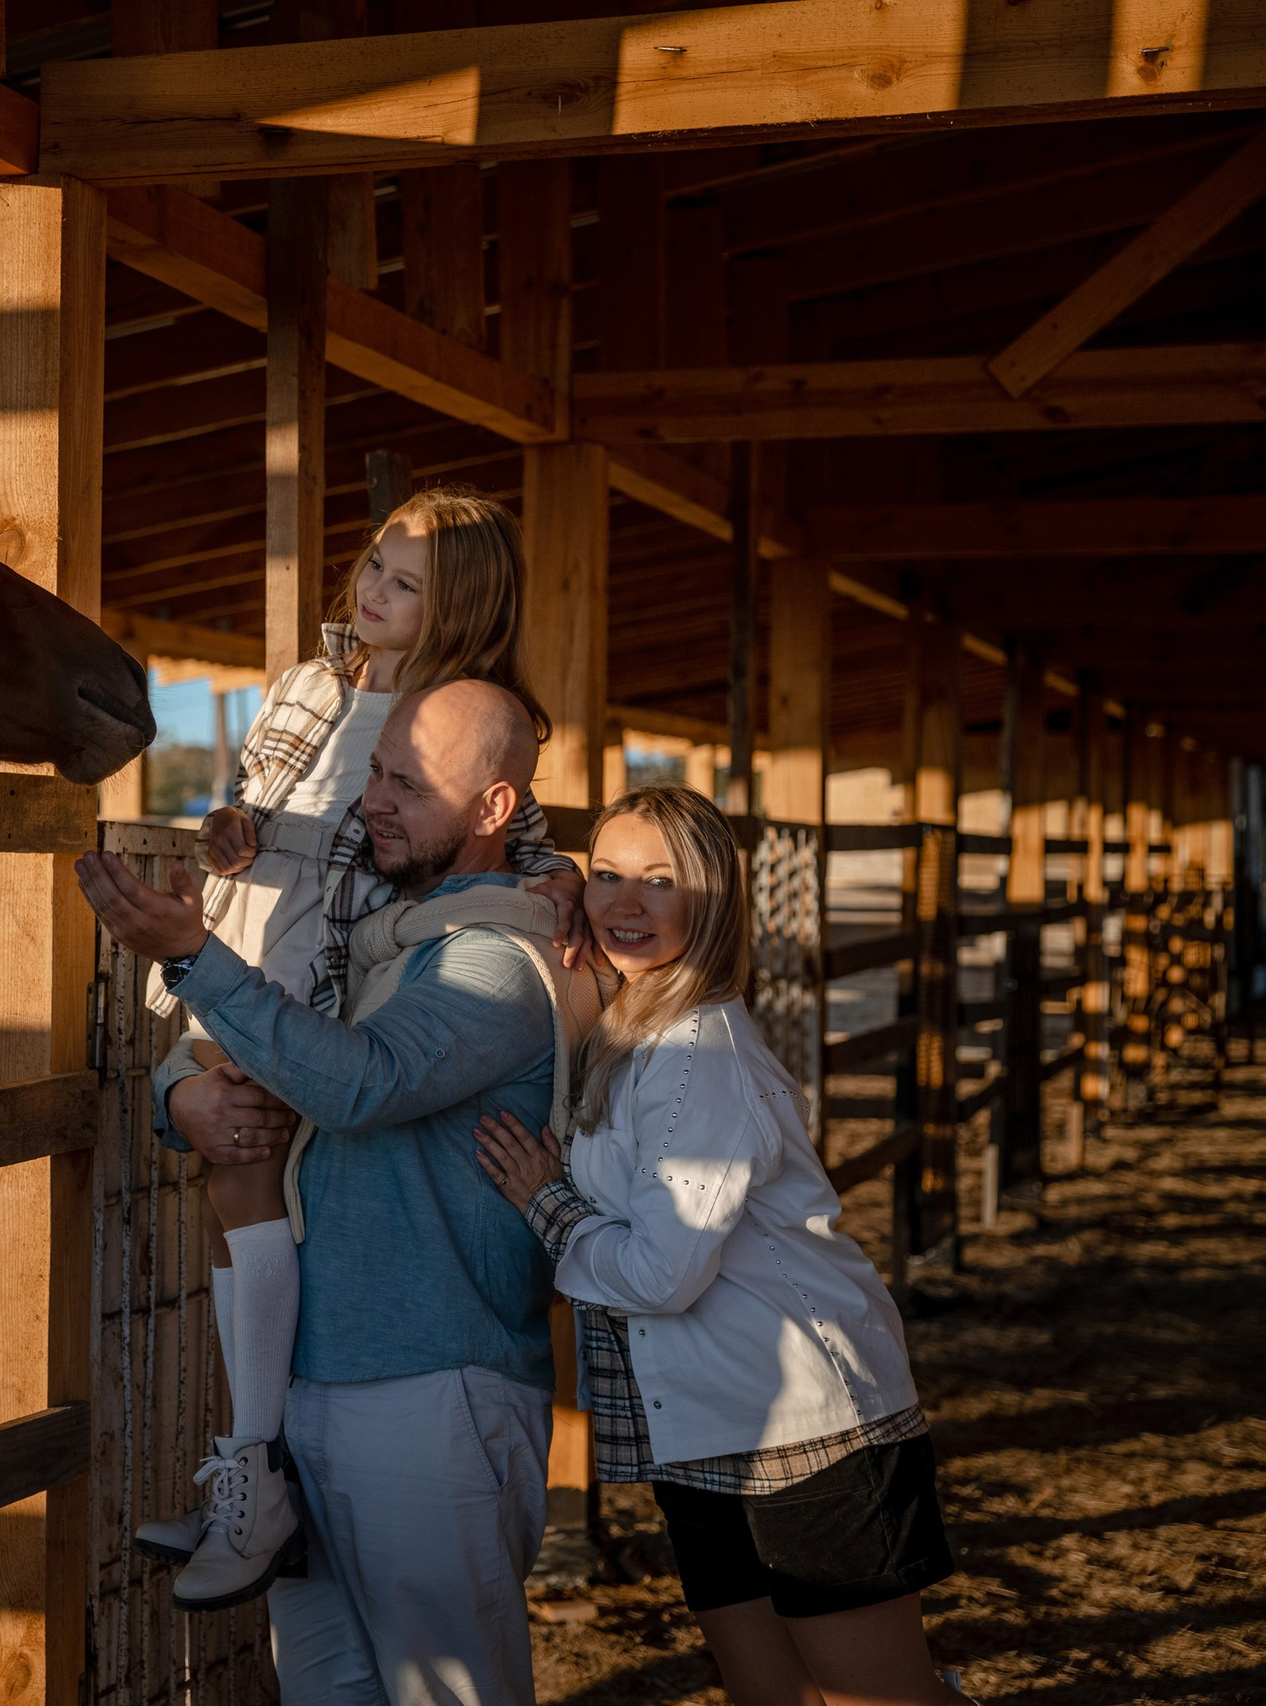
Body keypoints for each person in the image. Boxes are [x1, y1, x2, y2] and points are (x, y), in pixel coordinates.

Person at [77, 679, 602, 1705]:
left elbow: (359, 1081)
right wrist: (179, 1089)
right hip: (322, 1385)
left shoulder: (496, 960)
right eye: (373, 770)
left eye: (408, 781)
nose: (373, 798)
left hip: (428, 1390)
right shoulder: (385, 941)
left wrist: (192, 954)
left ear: (493, 809)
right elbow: (288, 1060)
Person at [136, 486, 584, 1611]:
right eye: (372, 566)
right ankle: (257, 1462)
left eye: (403, 582)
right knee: (226, 1185)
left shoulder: (453, 714)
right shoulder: (303, 687)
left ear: (459, 607)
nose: (370, 592)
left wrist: (565, 879)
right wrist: (222, 825)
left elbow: (512, 834)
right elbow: (243, 801)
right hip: (237, 945)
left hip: (320, 984)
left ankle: (253, 1455)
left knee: (253, 1175)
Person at [473, 786, 968, 1706]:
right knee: (765, 1689)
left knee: (881, 1698)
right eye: (609, 875)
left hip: (807, 1425)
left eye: (660, 882)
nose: (626, 903)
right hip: (702, 1431)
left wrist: (547, 1204)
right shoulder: (628, 1031)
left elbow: (662, 1273)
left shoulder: (702, 1057)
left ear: (714, 902)